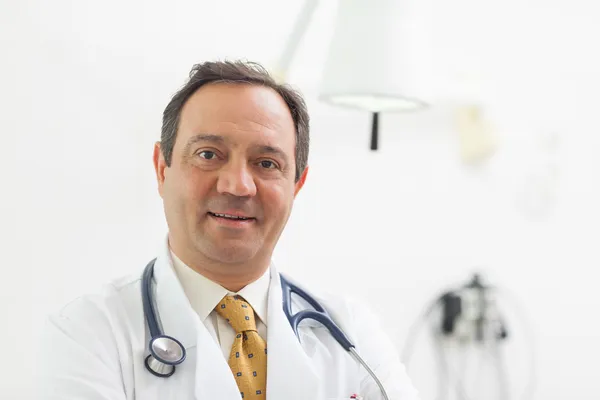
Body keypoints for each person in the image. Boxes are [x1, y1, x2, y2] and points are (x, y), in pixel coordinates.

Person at [36, 60, 419, 400]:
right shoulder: (86, 335)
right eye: (208, 155)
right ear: (162, 169)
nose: (237, 185)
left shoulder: (349, 331)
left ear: (297, 185)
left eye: (266, 163)